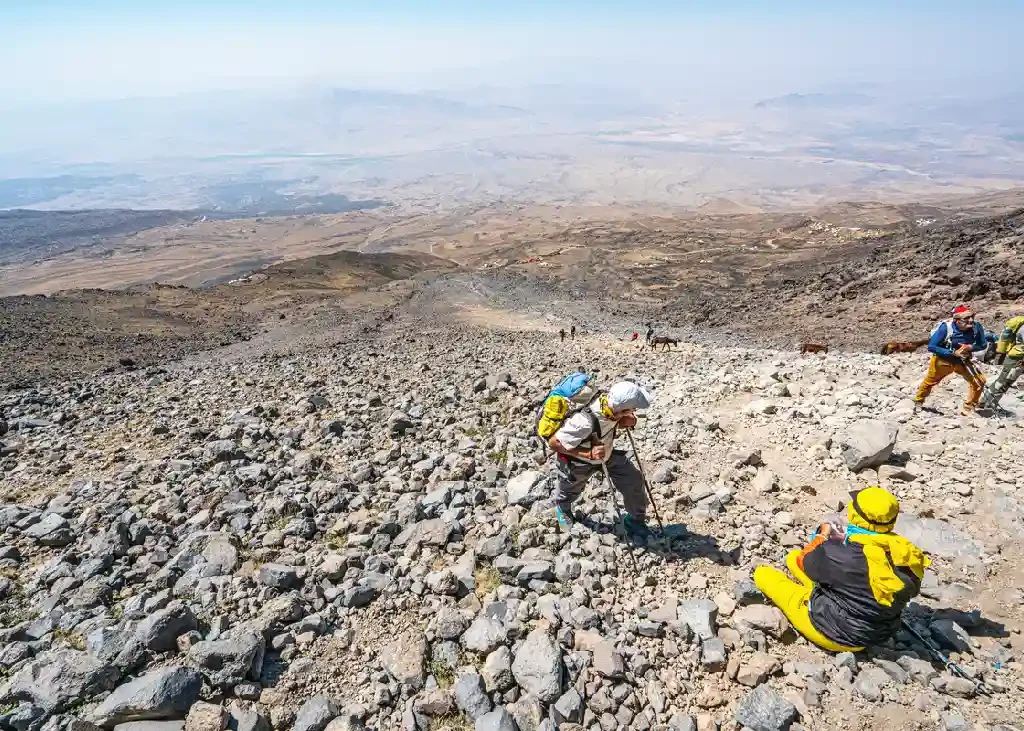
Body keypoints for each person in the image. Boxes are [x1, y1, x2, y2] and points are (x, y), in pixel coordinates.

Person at [753, 486, 929, 652]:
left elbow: (804, 562)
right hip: (882, 631)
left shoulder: (839, 552)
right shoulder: (907, 553)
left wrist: (822, 536)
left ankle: (807, 603)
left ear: (855, 514)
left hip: (835, 631)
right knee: (793, 559)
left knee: (764, 574)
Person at [548, 381, 651, 535]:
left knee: (633, 480)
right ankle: (563, 509)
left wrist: (629, 421)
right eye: (632, 409)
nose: (634, 411)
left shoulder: (611, 407)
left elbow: (609, 422)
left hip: (605, 454)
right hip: (578, 462)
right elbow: (554, 443)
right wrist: (588, 454)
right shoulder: (583, 422)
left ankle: (635, 520)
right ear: (622, 409)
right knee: (568, 490)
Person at [913, 304, 988, 415]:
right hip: (943, 361)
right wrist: (952, 352)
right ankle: (918, 401)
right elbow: (931, 346)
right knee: (930, 382)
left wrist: (971, 347)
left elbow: (983, 344)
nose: (971, 320)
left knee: (979, 381)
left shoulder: (977, 327)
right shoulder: (945, 328)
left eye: (972, 316)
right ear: (956, 320)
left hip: (963, 360)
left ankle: (968, 408)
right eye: (966, 318)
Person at [980, 315, 1024, 411]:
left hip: (1016, 358)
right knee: (1004, 384)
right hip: (1018, 360)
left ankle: (983, 401)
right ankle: (989, 407)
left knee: (1001, 381)